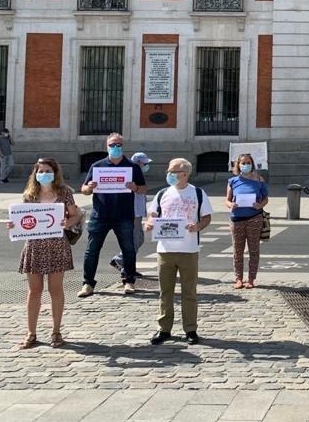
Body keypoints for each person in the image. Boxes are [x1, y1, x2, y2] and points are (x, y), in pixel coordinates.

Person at [7, 158, 82, 349]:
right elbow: (22, 219)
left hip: (57, 245)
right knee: (34, 291)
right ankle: (31, 333)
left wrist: (68, 223)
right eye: (40, 171)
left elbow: (75, 215)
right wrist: (13, 225)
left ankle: (56, 332)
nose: (43, 174)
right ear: (35, 174)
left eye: (47, 171)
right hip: (34, 246)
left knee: (55, 289)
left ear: (55, 173)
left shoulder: (64, 192)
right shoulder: (30, 194)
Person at [144, 158, 212, 345]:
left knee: (189, 292)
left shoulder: (197, 193)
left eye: (173, 171)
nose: (169, 174)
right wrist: (150, 223)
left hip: (188, 249)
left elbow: (207, 217)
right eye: (169, 170)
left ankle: (190, 329)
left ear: (184, 173)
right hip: (165, 250)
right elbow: (153, 214)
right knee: (165, 292)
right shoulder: (162, 193)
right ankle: (164, 329)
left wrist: (197, 226)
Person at [79, 133, 146, 297]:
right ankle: (88, 283)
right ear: (106, 146)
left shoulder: (132, 167)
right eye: (112, 145)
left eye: (118, 145)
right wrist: (89, 187)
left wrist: (135, 187)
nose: (115, 148)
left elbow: (144, 189)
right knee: (92, 250)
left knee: (128, 249)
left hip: (124, 215)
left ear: (123, 146)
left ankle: (129, 281)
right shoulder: (97, 166)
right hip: (100, 215)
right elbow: (84, 190)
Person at [226, 153, 269, 289]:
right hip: (237, 219)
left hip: (254, 218)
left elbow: (265, 198)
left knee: (253, 249)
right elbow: (227, 200)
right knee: (237, 250)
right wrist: (231, 205)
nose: (245, 165)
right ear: (238, 165)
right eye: (243, 163)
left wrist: (260, 205)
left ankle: (251, 279)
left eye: (248, 162)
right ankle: (238, 278)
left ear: (252, 164)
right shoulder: (233, 181)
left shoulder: (259, 180)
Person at [111, 151, 151, 281]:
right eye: (144, 163)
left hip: (138, 213)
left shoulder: (138, 174)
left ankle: (127, 266)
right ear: (138, 162)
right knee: (134, 240)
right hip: (132, 213)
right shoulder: (130, 174)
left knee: (138, 240)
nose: (146, 166)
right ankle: (122, 263)